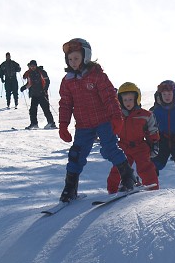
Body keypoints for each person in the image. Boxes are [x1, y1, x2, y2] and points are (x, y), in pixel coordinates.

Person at [57, 38, 137, 202]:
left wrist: (116, 117)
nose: (73, 62)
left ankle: (129, 178)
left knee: (110, 149)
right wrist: (63, 125)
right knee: (76, 155)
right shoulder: (67, 82)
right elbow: (65, 104)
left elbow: (109, 97)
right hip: (83, 126)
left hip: (103, 121)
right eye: (70, 59)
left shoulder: (97, 76)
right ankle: (70, 188)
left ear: (85, 57)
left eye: (76, 58)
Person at [106, 82, 160, 194]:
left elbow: (152, 131)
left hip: (140, 146)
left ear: (137, 98)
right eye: (125, 100)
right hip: (123, 147)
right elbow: (110, 129)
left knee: (146, 169)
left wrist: (154, 144)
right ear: (120, 101)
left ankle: (152, 189)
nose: (128, 102)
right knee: (118, 169)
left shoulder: (145, 115)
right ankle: (112, 191)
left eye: (130, 99)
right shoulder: (117, 115)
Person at [20, 60, 56, 129]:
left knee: (46, 109)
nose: (32, 67)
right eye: (31, 66)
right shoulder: (30, 74)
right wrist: (24, 88)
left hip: (42, 94)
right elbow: (29, 84)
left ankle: (51, 123)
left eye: (34, 66)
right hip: (34, 94)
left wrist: (44, 90)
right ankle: (34, 124)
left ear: (36, 66)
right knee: (32, 110)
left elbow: (47, 81)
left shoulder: (41, 72)